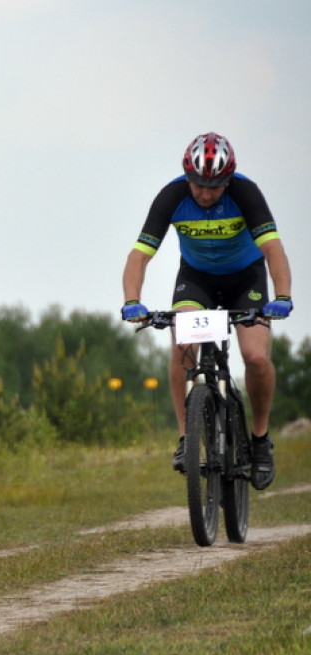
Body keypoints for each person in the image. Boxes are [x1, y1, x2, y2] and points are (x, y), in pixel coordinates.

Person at [120, 132, 293, 490]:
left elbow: (274, 250)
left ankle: (259, 439)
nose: (205, 193)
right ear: (188, 177)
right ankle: (186, 438)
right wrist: (132, 300)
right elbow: (139, 255)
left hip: (246, 280)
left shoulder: (246, 193)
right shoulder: (172, 195)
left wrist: (283, 295)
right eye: (198, 184)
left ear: (228, 179)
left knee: (256, 357)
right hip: (196, 279)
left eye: (214, 186)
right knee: (182, 344)